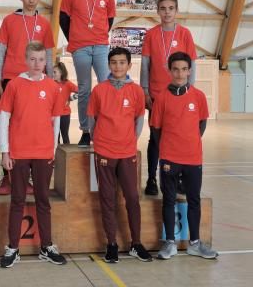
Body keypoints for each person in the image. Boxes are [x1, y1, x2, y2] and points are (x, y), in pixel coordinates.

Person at [0, 41, 66, 268]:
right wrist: (5, 151)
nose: (37, 64)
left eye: (41, 60)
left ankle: (46, 246)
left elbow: (56, 121)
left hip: (43, 153)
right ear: (26, 60)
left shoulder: (53, 87)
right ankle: (13, 248)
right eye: (33, 59)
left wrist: (52, 150)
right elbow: (4, 119)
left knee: (43, 200)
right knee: (17, 200)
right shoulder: (14, 85)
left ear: (46, 61)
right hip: (18, 152)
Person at [87, 47, 152, 263]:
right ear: (108, 65)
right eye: (114, 62)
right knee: (107, 199)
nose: (118, 66)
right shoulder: (99, 90)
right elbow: (92, 119)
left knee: (132, 197)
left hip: (127, 152)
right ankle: (111, 244)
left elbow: (139, 119)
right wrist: (99, 141)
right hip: (104, 152)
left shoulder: (136, 91)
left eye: (122, 62)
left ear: (129, 65)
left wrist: (130, 141)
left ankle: (136, 243)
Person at [151, 51, 218, 260]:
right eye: (175, 69)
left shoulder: (198, 96)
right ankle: (169, 243)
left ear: (189, 71)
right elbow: (156, 129)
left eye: (184, 69)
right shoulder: (161, 98)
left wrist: (190, 142)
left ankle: (195, 244)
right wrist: (169, 147)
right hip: (169, 158)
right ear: (169, 71)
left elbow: (202, 124)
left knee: (194, 200)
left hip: (193, 158)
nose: (180, 74)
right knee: (169, 200)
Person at [0, 0, 55, 191]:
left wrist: (51, 79)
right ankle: (7, 176)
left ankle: (25, 178)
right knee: (5, 125)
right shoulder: (9, 20)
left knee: (31, 128)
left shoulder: (44, 23)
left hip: (37, 81)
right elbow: (1, 52)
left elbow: (48, 54)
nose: (31, 1)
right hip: (11, 78)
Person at [140, 0, 197, 195]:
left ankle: (178, 179)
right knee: (155, 138)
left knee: (177, 138)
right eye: (163, 8)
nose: (167, 12)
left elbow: (192, 63)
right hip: (157, 95)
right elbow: (145, 65)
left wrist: (190, 90)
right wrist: (145, 91)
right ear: (158, 11)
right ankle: (151, 179)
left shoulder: (185, 34)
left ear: (176, 10)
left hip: (179, 95)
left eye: (171, 8)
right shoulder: (151, 34)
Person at [60, 0, 116, 148]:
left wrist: (98, 35)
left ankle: (104, 128)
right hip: (80, 48)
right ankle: (86, 131)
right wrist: (76, 38)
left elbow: (110, 19)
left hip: (101, 45)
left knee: (106, 86)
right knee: (84, 89)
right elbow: (63, 19)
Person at [53, 62, 78, 144]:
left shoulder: (68, 84)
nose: (53, 74)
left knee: (65, 136)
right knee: (56, 136)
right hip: (54, 114)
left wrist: (71, 98)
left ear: (61, 73)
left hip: (65, 114)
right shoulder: (51, 83)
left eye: (55, 72)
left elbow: (81, 92)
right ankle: (56, 152)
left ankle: (67, 152)